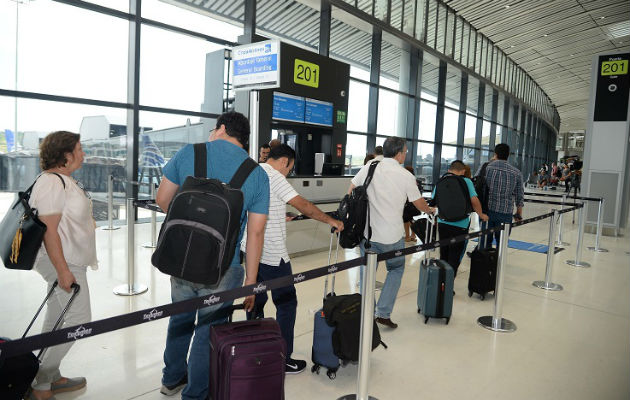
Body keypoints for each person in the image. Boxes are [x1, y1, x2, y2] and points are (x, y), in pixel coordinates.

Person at [156, 111, 270, 400]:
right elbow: (255, 234)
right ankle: (195, 394)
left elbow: (162, 200)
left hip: (180, 260)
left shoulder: (188, 153)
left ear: (220, 129)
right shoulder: (256, 173)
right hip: (224, 268)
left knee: (179, 319)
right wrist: (252, 282)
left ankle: (171, 379)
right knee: (209, 331)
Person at [242, 144, 343, 374]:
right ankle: (283, 357)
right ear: (284, 161)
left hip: (251, 251)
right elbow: (305, 206)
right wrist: (330, 221)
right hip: (273, 254)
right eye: (290, 168)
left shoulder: (253, 171)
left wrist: (278, 215)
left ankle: (253, 350)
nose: (288, 173)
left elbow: (257, 207)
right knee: (287, 304)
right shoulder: (276, 176)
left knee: (255, 301)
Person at [28, 131, 97, 400]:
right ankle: (41, 383)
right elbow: (49, 231)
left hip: (68, 258)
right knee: (80, 319)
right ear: (65, 155)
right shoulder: (52, 183)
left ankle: (49, 376)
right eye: (79, 149)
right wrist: (63, 271)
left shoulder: (62, 180)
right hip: (62, 260)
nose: (83, 154)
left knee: (56, 318)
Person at [349, 137, 434, 329]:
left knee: (366, 272)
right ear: (399, 153)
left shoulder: (370, 166)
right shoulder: (405, 175)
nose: (406, 154)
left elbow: (351, 190)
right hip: (392, 236)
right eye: (405, 151)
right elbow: (418, 202)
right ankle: (383, 312)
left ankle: (366, 312)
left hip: (368, 234)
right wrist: (429, 210)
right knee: (395, 269)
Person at [432, 160, 488, 277]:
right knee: (455, 257)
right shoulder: (466, 181)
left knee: (444, 255)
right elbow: (474, 200)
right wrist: (481, 214)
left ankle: (441, 284)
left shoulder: (440, 181)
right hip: (460, 226)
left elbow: (434, 202)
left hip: (443, 223)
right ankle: (448, 286)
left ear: (449, 170)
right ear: (463, 171)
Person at [477, 143, 524, 248]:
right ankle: (498, 262)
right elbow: (519, 194)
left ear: (495, 154)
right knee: (502, 242)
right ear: (508, 155)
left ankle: (482, 261)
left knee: (484, 241)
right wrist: (518, 212)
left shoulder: (486, 167)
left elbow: (477, 184)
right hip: (505, 212)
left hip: (486, 210)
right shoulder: (516, 172)